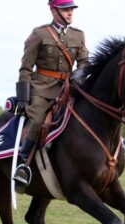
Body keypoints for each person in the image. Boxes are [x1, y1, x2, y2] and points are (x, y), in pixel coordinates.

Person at [12, 0, 89, 186]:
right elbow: (26, 68)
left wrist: (79, 74)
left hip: (69, 88)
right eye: (65, 9)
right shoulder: (40, 33)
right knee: (37, 120)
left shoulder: (78, 35)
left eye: (71, 9)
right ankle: (23, 165)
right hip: (42, 89)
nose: (70, 13)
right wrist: (24, 98)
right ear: (54, 11)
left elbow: (85, 63)